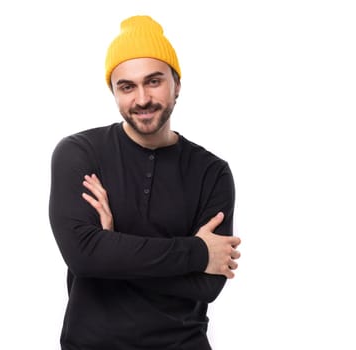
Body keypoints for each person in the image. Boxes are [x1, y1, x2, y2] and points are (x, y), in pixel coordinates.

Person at [48, 15, 241, 350]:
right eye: (127, 86)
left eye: (154, 82)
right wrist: (196, 251)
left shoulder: (212, 172)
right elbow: (83, 257)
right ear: (114, 91)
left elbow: (207, 286)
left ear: (176, 84)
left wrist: (111, 248)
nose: (141, 99)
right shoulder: (80, 154)